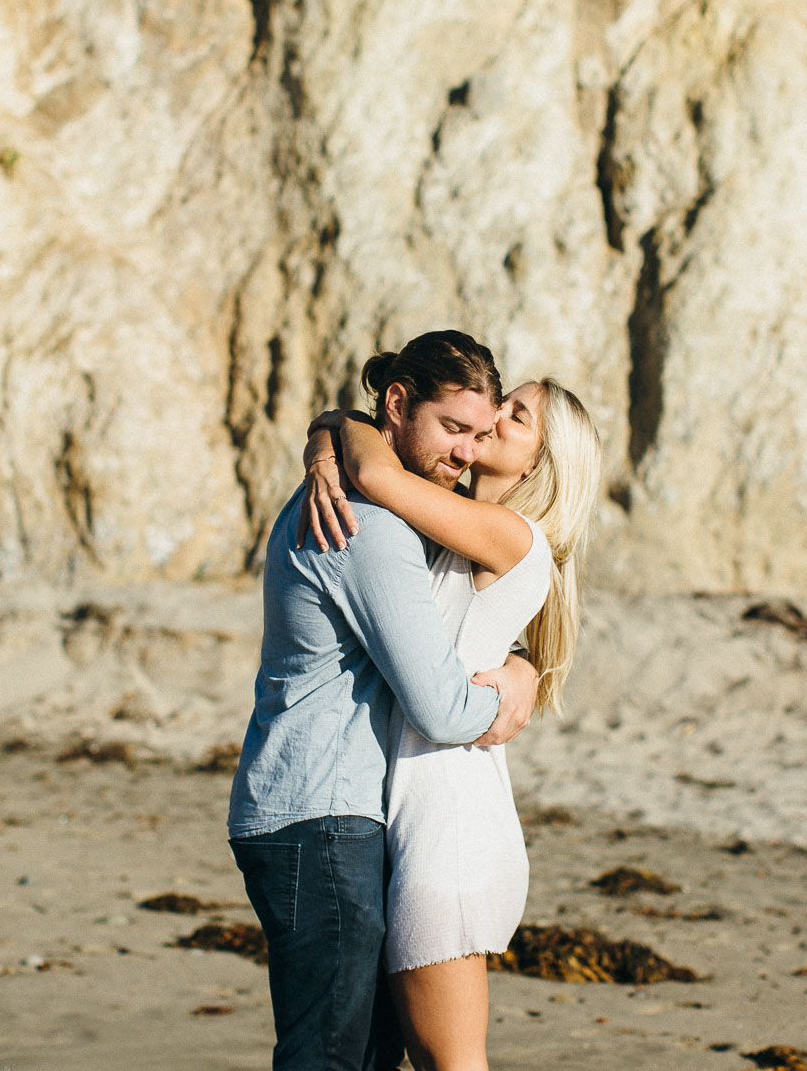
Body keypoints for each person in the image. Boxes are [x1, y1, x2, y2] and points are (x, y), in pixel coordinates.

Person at [227, 330, 542, 1071]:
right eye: (453, 428)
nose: (465, 452)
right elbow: (440, 709)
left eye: (480, 435)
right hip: (320, 816)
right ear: (397, 405)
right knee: (330, 1056)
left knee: (357, 1052)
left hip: (317, 810)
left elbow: (459, 619)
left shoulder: (370, 498)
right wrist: (503, 699)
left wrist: (522, 661)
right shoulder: (364, 524)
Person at [299, 374, 602, 1071]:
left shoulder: (511, 534)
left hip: (448, 834)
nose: (492, 417)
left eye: (517, 416)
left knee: (453, 1063)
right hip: (420, 821)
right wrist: (324, 440)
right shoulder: (458, 527)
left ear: (540, 462)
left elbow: (374, 471)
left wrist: (335, 429)